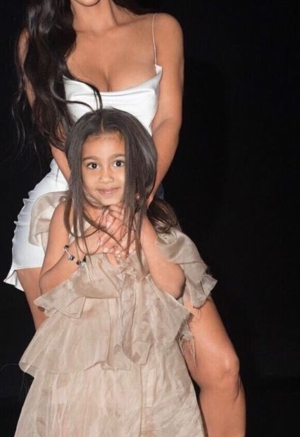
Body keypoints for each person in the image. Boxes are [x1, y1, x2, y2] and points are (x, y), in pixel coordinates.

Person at [5, 0, 245, 435]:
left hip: (141, 204)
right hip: (64, 219)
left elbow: (168, 122)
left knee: (222, 370)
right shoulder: (37, 43)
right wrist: (98, 219)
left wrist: (135, 206)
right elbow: (60, 141)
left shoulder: (160, 30)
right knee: (79, 404)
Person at [14, 108, 212, 436]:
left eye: (118, 163)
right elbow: (46, 288)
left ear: (138, 165)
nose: (106, 176)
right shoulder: (67, 213)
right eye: (93, 165)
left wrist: (142, 231)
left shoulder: (150, 215)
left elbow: (174, 285)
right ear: (77, 168)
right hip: (86, 361)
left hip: (145, 359)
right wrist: (81, 248)